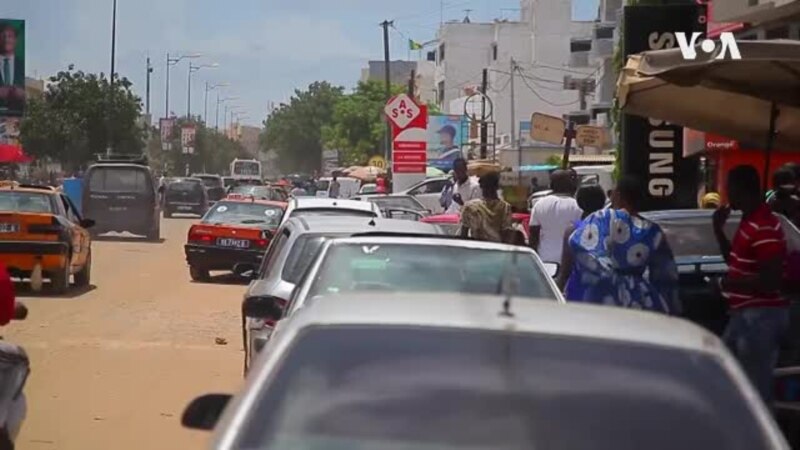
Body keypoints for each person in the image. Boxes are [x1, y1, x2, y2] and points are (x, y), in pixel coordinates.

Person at [713, 165, 789, 404]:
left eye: (729, 189)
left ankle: (761, 438)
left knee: (756, 390)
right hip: (744, 315)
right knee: (725, 373)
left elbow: (770, 280)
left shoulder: (764, 225)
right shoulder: (750, 221)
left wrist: (728, 282)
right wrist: (718, 229)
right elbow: (734, 260)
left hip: (760, 316)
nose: (727, 195)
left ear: (740, 189)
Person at [567, 176, 680, 314]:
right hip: (639, 301)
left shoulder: (603, 218)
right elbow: (666, 275)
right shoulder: (652, 230)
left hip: (600, 300)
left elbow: (580, 245)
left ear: (618, 195)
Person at [555, 185, 607, 296]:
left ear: (579, 203)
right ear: (603, 202)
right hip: (609, 289)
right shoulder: (613, 227)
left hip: (581, 290)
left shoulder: (573, 231)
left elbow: (565, 271)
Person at [529, 170, 582, 263]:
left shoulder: (540, 204)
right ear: (571, 186)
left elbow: (533, 236)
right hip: (570, 262)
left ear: (551, 185)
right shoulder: (579, 206)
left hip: (544, 260)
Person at [459, 172, 513, 243]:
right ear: (497, 187)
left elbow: (463, 234)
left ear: (481, 186)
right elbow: (507, 234)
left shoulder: (470, 206)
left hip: (477, 249)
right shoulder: (505, 207)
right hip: (497, 249)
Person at [0, 24, 24, 113]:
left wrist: (22, 94)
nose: (6, 40)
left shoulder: (21, 65)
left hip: (16, 113)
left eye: (10, 36)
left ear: (15, 40)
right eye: (3, 36)